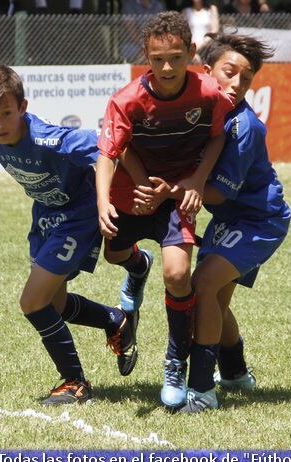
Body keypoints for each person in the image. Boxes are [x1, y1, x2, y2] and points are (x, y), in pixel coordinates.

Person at [135, 32, 291, 413]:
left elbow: (218, 193)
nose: (237, 84)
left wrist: (170, 190)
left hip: (258, 221)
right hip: (232, 218)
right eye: (230, 72)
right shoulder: (203, 108)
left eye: (247, 78)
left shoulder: (244, 127)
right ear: (207, 71)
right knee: (216, 302)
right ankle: (236, 373)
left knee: (202, 286)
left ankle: (203, 390)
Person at [0, 64, 139, 406]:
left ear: (23, 108)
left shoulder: (51, 140)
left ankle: (75, 382)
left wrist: (128, 191)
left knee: (32, 301)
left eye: (6, 113)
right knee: (55, 304)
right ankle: (114, 319)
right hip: (46, 217)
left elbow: (110, 146)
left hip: (78, 216)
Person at [95, 11, 233, 409]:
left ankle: (175, 361)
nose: (168, 67)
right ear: (146, 57)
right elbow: (108, 153)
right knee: (114, 254)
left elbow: (217, 138)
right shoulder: (126, 100)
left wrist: (195, 181)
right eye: (158, 59)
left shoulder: (208, 93)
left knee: (177, 274)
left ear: (191, 51)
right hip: (135, 194)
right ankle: (138, 266)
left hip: (176, 197)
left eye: (176, 56)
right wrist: (104, 201)